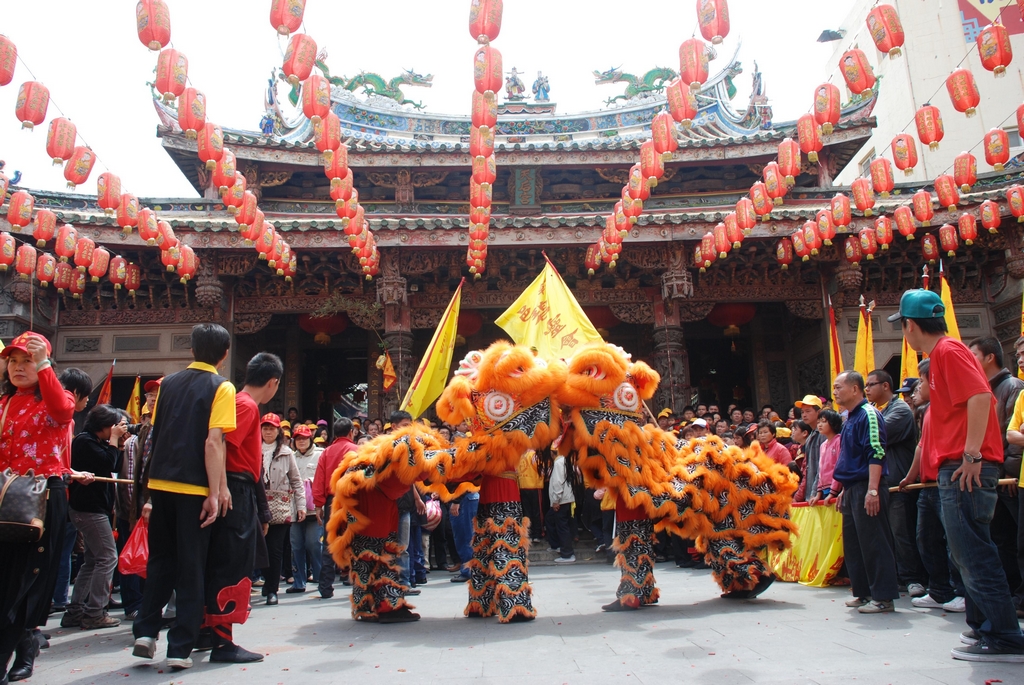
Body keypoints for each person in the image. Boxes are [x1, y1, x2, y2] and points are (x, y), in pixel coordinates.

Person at [894, 289, 1024, 661]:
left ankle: (1004, 636)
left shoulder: (949, 351)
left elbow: (982, 398)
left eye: (903, 325)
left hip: (965, 468)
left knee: (973, 553)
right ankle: (984, 626)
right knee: (967, 552)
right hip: (956, 467)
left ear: (911, 325)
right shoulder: (942, 355)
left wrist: (971, 454)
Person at [133, 323, 236, 671]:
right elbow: (213, 442)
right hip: (193, 488)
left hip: (161, 483)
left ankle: (145, 633)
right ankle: (180, 647)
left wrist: (147, 491)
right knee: (191, 568)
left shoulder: (168, 384)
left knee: (161, 561)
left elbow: (157, 434)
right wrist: (216, 490)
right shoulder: (222, 386)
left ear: (191, 350)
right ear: (224, 354)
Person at [0, 333, 93, 683]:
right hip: (5, 496)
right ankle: (25, 644)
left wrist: (43, 367)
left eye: (27, 361)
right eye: (13, 361)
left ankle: (18, 649)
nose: (18, 368)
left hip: (40, 497)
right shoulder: (4, 403)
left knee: (28, 579)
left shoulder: (56, 399)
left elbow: (62, 410)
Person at [195, 352, 282, 663]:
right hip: (235, 489)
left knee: (221, 561)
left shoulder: (239, 402)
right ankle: (222, 641)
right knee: (232, 564)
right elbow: (223, 445)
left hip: (235, 487)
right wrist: (223, 488)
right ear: (273, 383)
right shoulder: (245, 405)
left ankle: (207, 632)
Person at [898, 360, 966, 614]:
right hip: (926, 485)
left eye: (921, 383)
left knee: (953, 540)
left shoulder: (947, 408)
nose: (916, 390)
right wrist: (910, 476)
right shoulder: (926, 413)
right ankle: (939, 590)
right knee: (926, 539)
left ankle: (961, 591)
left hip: (945, 483)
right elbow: (921, 446)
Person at [832, 370, 899, 614]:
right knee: (855, 544)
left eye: (839, 387)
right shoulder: (848, 418)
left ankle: (883, 597)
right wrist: (843, 490)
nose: (836, 391)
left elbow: (876, 452)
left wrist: (872, 490)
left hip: (867, 486)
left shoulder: (869, 414)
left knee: (874, 541)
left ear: (855, 389)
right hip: (852, 488)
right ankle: (864, 592)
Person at [62, 405, 127, 630]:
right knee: (108, 558)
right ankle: (95, 612)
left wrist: (116, 442)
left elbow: (115, 464)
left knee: (92, 561)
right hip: (88, 509)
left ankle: (76, 610)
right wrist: (114, 441)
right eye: (117, 425)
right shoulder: (85, 441)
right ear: (106, 424)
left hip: (96, 509)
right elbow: (107, 463)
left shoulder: (99, 442)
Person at [969, 337, 1024, 603]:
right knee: (1002, 537)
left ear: (990, 357)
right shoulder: (984, 390)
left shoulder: (1012, 386)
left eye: (975, 356)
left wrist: (1010, 473)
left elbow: (1009, 435)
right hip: (995, 474)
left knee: (1015, 538)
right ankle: (1013, 592)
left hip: (1008, 475)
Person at [865, 369, 928, 599]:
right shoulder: (881, 411)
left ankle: (914, 578)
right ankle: (901, 576)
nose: (868, 389)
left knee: (902, 533)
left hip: (899, 481)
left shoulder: (900, 409)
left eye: (871, 384)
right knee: (890, 533)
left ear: (885, 386)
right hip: (886, 483)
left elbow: (875, 437)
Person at [51, 367, 93, 616]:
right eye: (86, 397)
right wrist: (71, 474)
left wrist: (71, 472)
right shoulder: (63, 416)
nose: (86, 402)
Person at [259, 413, 305, 606]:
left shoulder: (286, 452)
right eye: (265, 428)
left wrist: (301, 505)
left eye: (271, 428)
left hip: (279, 503)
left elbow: (296, 480)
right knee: (258, 548)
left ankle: (272, 589)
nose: (268, 431)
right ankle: (264, 578)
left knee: (275, 549)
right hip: (257, 503)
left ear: (278, 431)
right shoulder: (252, 449)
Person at [312, 418, 359, 599]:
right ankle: (359, 585)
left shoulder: (326, 452)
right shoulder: (355, 450)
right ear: (350, 432)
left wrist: (318, 505)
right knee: (356, 542)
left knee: (330, 543)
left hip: (331, 501)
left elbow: (319, 479)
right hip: (352, 500)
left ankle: (325, 586)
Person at [288, 424, 322, 594]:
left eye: (304, 438)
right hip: (294, 508)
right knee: (296, 545)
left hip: (314, 509)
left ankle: (320, 576)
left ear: (310, 439)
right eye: (298, 439)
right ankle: (299, 581)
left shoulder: (320, 455)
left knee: (314, 543)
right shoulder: (289, 456)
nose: (301, 442)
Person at [546, 451, 575, 563]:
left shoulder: (558, 463)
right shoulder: (565, 461)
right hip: (565, 498)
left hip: (561, 500)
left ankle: (567, 554)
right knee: (551, 519)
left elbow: (558, 483)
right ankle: (557, 545)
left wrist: (556, 500)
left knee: (562, 527)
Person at [794, 395, 824, 504]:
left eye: (808, 411)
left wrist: (816, 491)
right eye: (802, 412)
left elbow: (823, 466)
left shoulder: (823, 434)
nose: (804, 415)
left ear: (819, 412)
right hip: (812, 493)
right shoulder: (811, 435)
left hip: (820, 493)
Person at [808, 409, 842, 505]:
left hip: (836, 489)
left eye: (824, 421)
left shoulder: (839, 441)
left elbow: (839, 467)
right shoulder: (823, 445)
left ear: (833, 423)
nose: (820, 425)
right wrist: (818, 494)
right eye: (818, 422)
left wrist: (832, 493)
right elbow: (821, 471)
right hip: (824, 490)